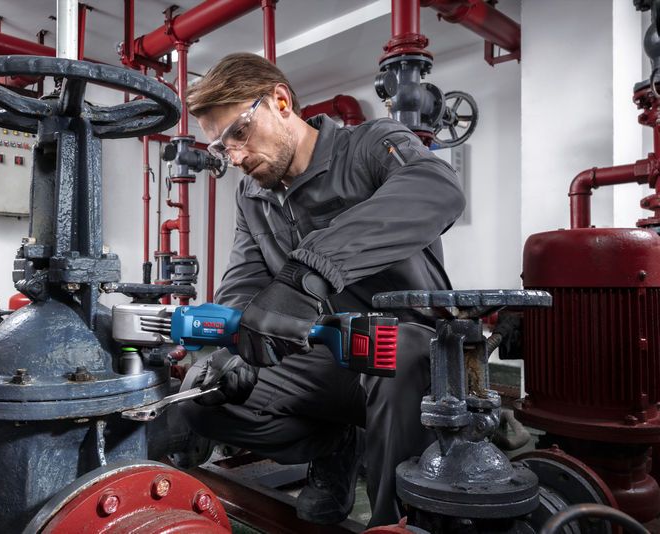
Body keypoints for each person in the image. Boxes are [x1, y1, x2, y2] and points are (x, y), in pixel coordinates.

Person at [179, 52, 465, 527]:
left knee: (400, 353)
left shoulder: (371, 143)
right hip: (319, 353)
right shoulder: (252, 196)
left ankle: (395, 523)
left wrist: (308, 273)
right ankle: (335, 446)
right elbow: (245, 277)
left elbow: (438, 189)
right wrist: (235, 345)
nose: (235, 157)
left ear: (280, 101)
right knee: (203, 397)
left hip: (407, 352)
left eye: (239, 133)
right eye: (221, 148)